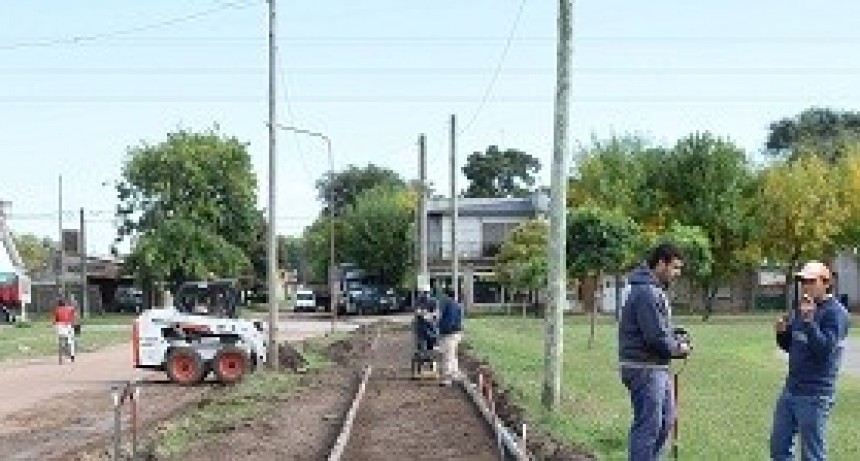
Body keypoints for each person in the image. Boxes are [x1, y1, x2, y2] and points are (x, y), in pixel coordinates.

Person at [770, 261, 851, 461]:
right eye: (803, 281)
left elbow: (824, 351)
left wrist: (809, 322)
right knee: (778, 448)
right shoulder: (804, 307)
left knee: (812, 455)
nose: (805, 285)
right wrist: (782, 334)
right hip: (791, 389)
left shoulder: (836, 314)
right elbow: (793, 346)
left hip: (815, 395)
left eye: (810, 281)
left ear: (826, 282)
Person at [618, 243, 689, 461]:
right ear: (661, 263)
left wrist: (675, 336)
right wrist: (680, 348)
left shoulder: (652, 289)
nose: (677, 274)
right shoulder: (646, 292)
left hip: (655, 367)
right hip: (644, 369)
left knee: (666, 421)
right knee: (648, 427)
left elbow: (659, 330)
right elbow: (656, 338)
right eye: (674, 268)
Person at [438, 288, 464, 386]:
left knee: (447, 356)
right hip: (457, 333)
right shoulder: (456, 304)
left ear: (446, 295)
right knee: (452, 355)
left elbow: (449, 321)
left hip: (450, 334)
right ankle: (455, 374)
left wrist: (441, 330)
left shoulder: (449, 305)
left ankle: (447, 379)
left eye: (443, 295)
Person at [53, 298, 77, 362]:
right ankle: (72, 355)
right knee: (71, 341)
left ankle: (62, 353)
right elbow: (73, 317)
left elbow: (55, 320)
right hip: (68, 325)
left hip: (60, 326)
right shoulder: (70, 309)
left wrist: (55, 326)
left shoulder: (57, 310)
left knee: (60, 339)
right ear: (65, 304)